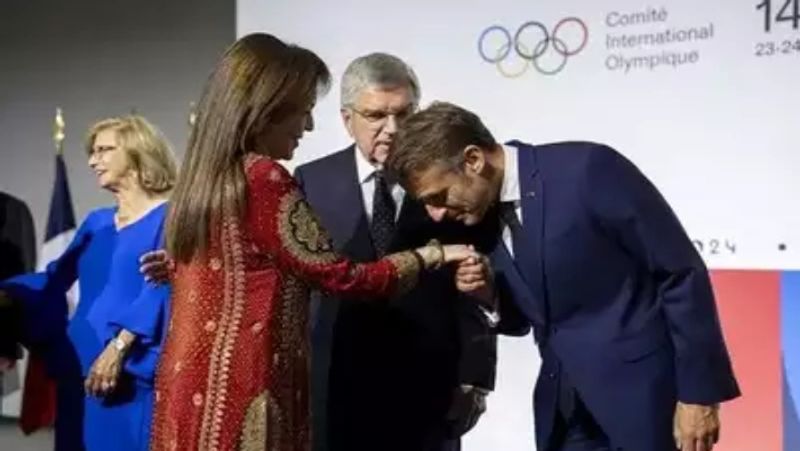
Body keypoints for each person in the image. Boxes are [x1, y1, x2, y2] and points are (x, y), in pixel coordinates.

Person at [146, 34, 477, 451]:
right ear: (267, 109)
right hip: (249, 388)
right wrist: (428, 255)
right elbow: (343, 277)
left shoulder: (204, 178)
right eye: (302, 111)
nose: (308, 125)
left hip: (192, 389)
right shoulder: (265, 177)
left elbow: (237, 263)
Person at [386, 101, 741, 451]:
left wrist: (701, 395)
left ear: (473, 160)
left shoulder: (588, 170)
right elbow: (532, 316)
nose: (435, 214)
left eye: (438, 196)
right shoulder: (478, 216)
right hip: (564, 414)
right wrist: (489, 294)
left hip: (645, 404)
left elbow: (679, 272)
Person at [293, 52, 496, 451]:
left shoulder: (450, 179)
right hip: (337, 387)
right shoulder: (312, 182)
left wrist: (476, 375)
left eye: (404, 115)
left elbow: (475, 280)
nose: (392, 129)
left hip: (429, 390)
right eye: (376, 116)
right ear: (347, 118)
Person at [0, 115, 176, 450]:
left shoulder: (172, 218)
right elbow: (54, 278)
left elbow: (164, 288)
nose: (94, 161)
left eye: (105, 150)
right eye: (92, 153)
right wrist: (8, 291)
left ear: (139, 150)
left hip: (132, 369)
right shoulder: (96, 222)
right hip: (79, 365)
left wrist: (119, 348)